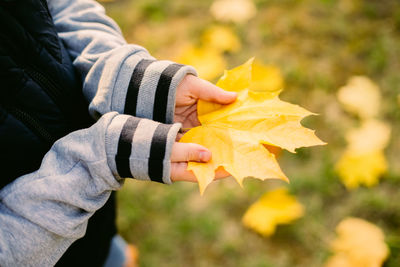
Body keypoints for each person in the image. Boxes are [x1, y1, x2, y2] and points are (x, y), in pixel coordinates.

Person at [0, 0, 236, 266]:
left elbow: (61, 7)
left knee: (109, 254)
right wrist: (97, 162)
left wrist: (137, 83)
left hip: (94, 223)